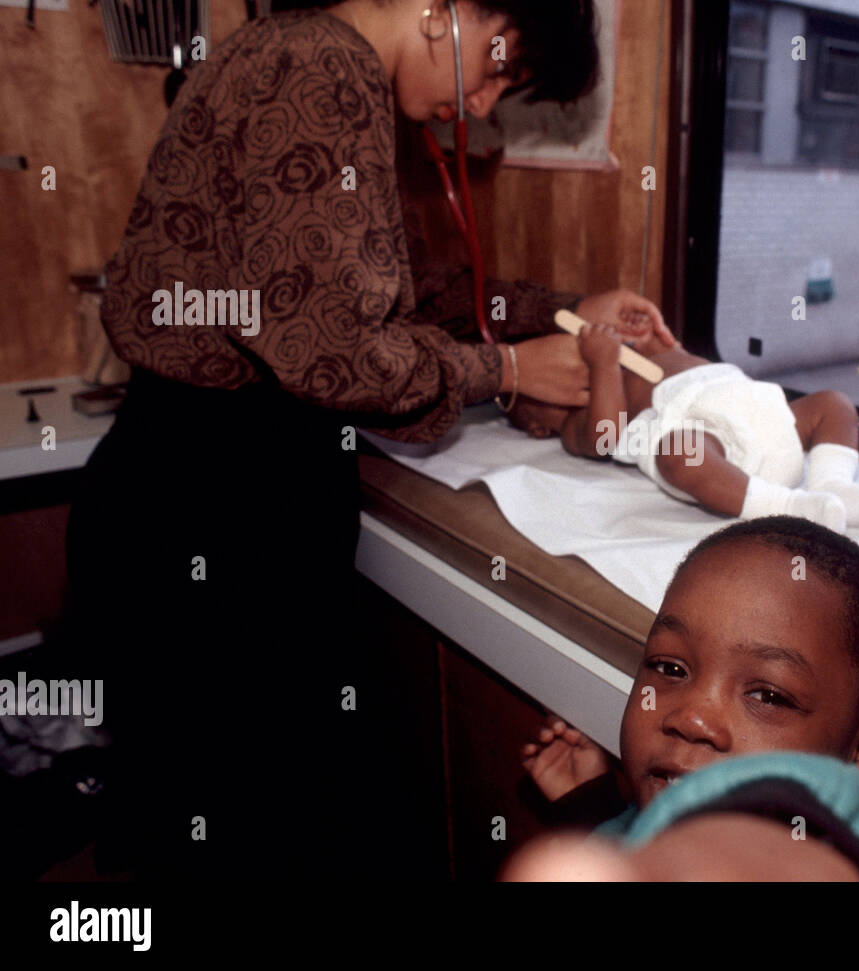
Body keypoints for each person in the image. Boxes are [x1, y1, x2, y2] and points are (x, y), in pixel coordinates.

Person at [64, 0, 675, 878]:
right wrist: (504, 373)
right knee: (239, 831)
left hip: (190, 492)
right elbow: (336, 351)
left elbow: (406, 293)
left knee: (211, 814)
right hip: (211, 507)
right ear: (444, 11)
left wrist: (568, 309)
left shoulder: (298, 56)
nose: (482, 105)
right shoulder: (325, 67)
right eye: (499, 66)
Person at [509, 516, 859, 880]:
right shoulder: (646, 811)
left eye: (768, 696)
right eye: (670, 668)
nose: (691, 718)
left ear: (858, 755)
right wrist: (589, 808)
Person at [504, 323, 859, 533]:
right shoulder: (576, 424)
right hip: (712, 447)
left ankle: (832, 484)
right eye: (536, 384)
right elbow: (606, 437)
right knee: (680, 454)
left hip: (764, 413)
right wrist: (603, 365)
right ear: (536, 427)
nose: (561, 372)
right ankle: (787, 507)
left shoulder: (631, 367)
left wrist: (655, 343)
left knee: (832, 404)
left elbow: (677, 360)